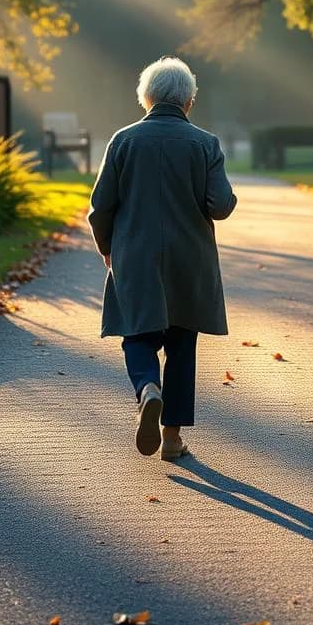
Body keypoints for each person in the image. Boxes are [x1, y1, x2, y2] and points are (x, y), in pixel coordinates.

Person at [88, 57, 237, 460]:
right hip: (189, 260)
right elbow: (220, 205)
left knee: (137, 334)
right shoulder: (206, 144)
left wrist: (107, 248)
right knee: (181, 344)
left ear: (146, 98)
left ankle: (146, 388)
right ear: (189, 101)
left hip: (134, 255)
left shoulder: (123, 141)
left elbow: (100, 207)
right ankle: (171, 440)